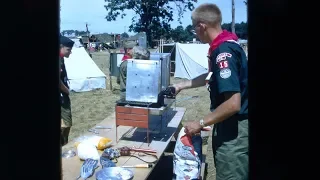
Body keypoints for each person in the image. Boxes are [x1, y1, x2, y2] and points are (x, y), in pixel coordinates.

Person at [171, 3, 248, 180]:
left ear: (201, 26)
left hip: (234, 128)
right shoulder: (227, 43)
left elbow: (233, 103)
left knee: (231, 174)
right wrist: (180, 85)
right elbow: (213, 75)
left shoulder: (223, 52)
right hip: (229, 124)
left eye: (194, 29)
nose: (195, 33)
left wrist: (200, 122)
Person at [59, 35, 75, 146]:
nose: (70, 52)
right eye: (68, 49)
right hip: (61, 97)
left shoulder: (61, 59)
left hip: (62, 96)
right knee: (65, 125)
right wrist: (67, 91)